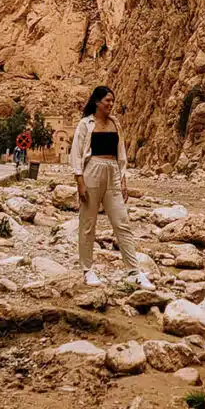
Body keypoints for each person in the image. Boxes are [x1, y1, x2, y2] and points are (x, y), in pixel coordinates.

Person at [69, 86, 151, 289]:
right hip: (92, 172)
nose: (111, 104)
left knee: (122, 222)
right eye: (107, 101)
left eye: (113, 101)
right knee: (88, 224)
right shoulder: (85, 124)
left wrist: (123, 179)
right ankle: (87, 270)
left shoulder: (115, 123)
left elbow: (120, 153)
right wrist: (79, 181)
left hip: (113, 171)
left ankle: (134, 272)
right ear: (97, 102)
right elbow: (76, 154)